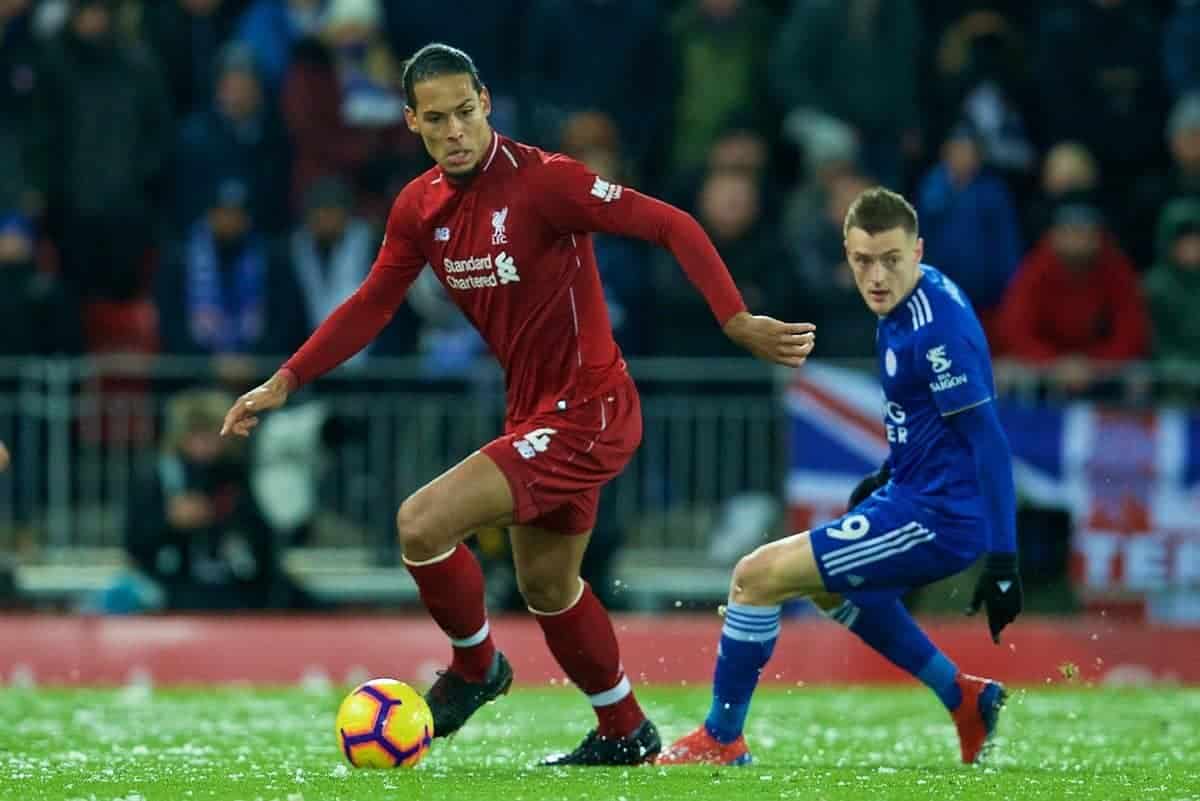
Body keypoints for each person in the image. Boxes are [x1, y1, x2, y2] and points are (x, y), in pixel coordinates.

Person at [220, 43, 815, 766]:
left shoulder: (545, 182)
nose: (455, 130)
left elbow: (672, 225)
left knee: (421, 522)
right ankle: (624, 727)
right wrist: (287, 379)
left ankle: (475, 668)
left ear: (487, 102)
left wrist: (736, 320)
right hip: (535, 412)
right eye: (436, 119)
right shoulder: (419, 208)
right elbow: (375, 302)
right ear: (411, 121)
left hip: (589, 408)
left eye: (465, 112)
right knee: (548, 584)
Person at [658, 188, 1021, 767]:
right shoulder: (902, 307)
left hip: (940, 516)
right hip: (909, 494)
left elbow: (990, 442)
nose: (876, 276)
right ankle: (964, 697)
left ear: (918, 249)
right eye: (862, 261)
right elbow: (928, 418)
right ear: (847, 254)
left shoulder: (937, 327)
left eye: (891, 260)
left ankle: (722, 739)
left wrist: (1003, 562)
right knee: (828, 588)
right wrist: (886, 473)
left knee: (755, 578)